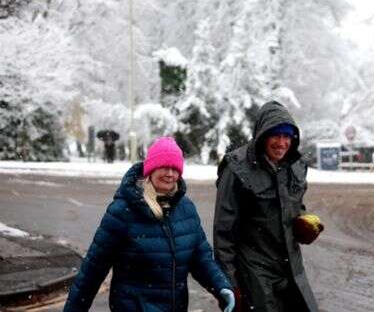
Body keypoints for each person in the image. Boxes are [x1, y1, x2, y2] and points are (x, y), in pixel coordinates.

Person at [63, 137, 235, 312]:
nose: (170, 174)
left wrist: (221, 286)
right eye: (164, 167)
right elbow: (92, 270)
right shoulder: (123, 211)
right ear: (151, 169)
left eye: (175, 169)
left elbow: (201, 258)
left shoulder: (186, 208)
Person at [214, 101, 324, 312]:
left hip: (291, 268)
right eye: (276, 135)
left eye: (287, 137)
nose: (282, 143)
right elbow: (223, 233)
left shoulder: (296, 166)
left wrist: (303, 222)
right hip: (254, 271)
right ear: (263, 135)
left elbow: (294, 205)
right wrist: (229, 283)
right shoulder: (237, 169)